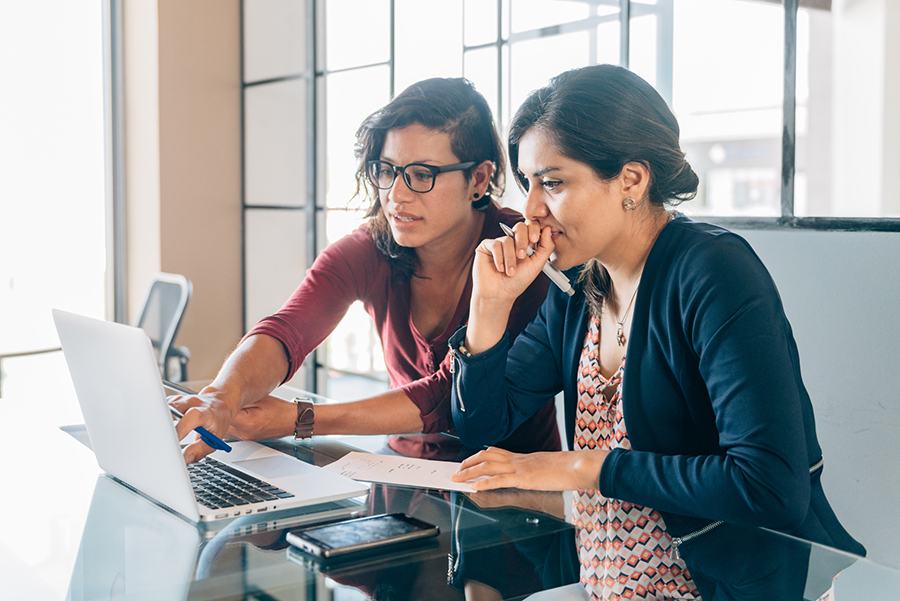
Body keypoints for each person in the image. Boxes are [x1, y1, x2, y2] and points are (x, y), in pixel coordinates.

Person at [447, 65, 865, 600]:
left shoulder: (713, 272)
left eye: (552, 183)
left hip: (716, 590)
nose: (530, 210)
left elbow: (769, 486)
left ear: (631, 180)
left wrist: (583, 467)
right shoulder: (580, 285)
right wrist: (489, 307)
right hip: (602, 586)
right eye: (528, 183)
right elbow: (482, 423)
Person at [170, 77, 559, 465]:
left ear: (478, 179)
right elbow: (288, 328)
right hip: (400, 468)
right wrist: (222, 396)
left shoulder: (522, 257)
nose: (396, 195)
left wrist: (300, 418)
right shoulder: (373, 245)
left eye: (422, 175)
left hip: (511, 489)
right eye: (387, 170)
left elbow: (446, 398)